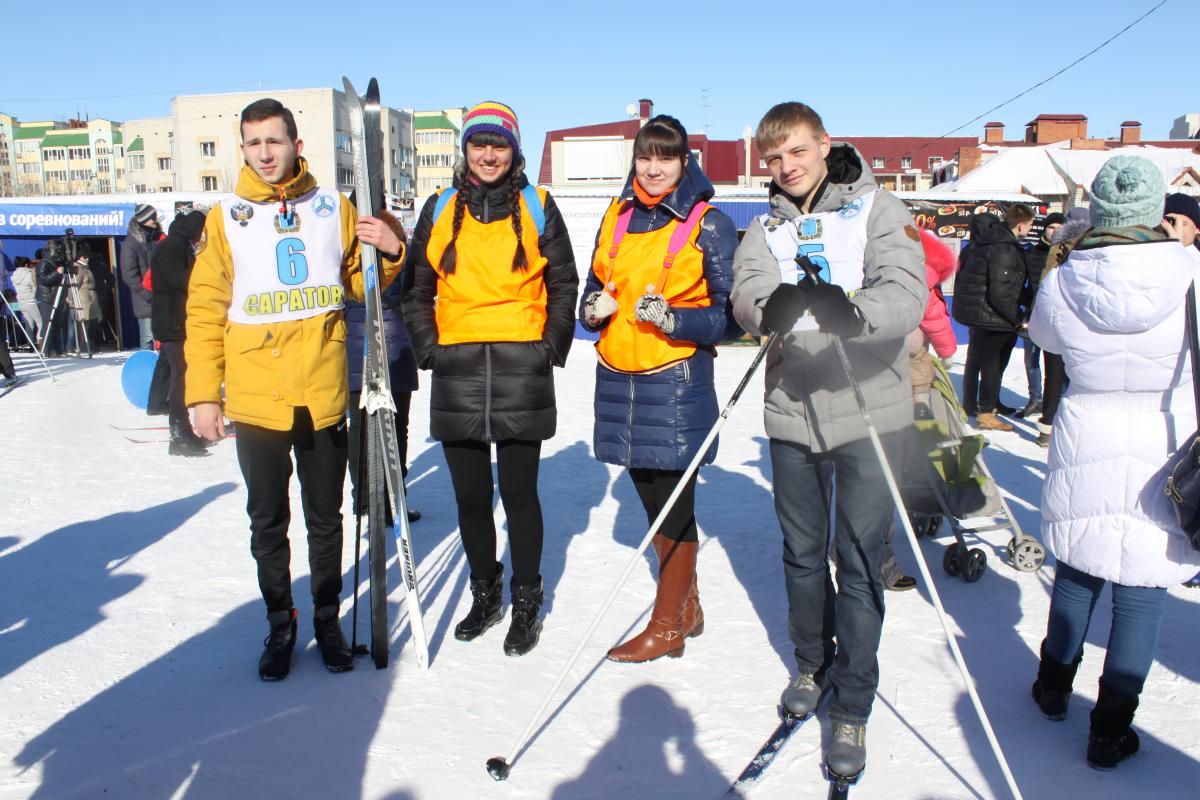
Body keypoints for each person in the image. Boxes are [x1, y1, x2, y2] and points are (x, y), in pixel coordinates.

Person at [730, 101, 925, 781]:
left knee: (861, 560)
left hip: (870, 410)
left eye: (797, 153)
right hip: (792, 411)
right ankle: (812, 663)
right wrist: (770, 309)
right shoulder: (762, 227)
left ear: (824, 146)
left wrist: (852, 311)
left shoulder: (878, 209)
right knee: (803, 556)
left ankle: (853, 700)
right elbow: (747, 295)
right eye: (774, 158)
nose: (785, 168)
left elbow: (906, 295)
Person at [186, 98, 405, 681]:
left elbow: (363, 282)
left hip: (322, 391)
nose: (264, 153)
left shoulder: (332, 207)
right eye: (253, 143)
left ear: (296, 144)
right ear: (242, 149)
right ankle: (281, 623)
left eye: (274, 141)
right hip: (257, 398)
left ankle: (327, 618)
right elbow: (206, 310)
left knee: (326, 518)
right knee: (267, 520)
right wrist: (203, 393)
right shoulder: (224, 215)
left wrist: (388, 251)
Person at [1028, 156, 1200, 770]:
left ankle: (1053, 684)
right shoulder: (1190, 274)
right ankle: (1110, 727)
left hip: (1087, 432)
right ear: (1156, 211)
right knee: (1143, 589)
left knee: (1079, 563)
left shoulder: (1066, 278)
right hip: (1168, 438)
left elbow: (1046, 340)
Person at [402, 101, 578, 657]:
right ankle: (486, 592)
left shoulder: (538, 204)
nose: (488, 154)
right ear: (466, 150)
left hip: (521, 368)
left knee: (520, 495)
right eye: (479, 144)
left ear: (514, 151)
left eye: (498, 145)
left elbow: (564, 284)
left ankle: (527, 599)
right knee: (471, 497)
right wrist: (430, 350)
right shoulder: (439, 207)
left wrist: (548, 348)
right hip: (457, 370)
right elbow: (416, 289)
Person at [578, 115, 737, 662]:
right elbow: (594, 288)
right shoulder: (616, 217)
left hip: (675, 384)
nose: (652, 168)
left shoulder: (708, 224)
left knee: (674, 502)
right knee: (649, 494)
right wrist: (591, 311)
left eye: (665, 158)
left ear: (684, 162)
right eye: (646, 156)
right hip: (619, 379)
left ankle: (668, 623)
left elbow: (732, 316)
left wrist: (677, 322)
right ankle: (686, 606)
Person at [344, 210, 421, 524]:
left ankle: (363, 500)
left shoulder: (349, 264)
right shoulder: (399, 262)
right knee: (394, 430)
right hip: (395, 354)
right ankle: (392, 501)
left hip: (353, 354)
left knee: (359, 430)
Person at [952, 204, 1034, 431]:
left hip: (984, 314)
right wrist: (1017, 318)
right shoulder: (1004, 249)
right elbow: (1000, 292)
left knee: (984, 362)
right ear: (1020, 225)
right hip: (994, 317)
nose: (1031, 228)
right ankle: (986, 413)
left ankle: (984, 404)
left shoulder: (988, 244)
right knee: (992, 365)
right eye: (1030, 224)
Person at [151, 210, 209, 457]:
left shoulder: (177, 245)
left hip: (177, 320)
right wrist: (206, 276)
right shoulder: (171, 248)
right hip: (172, 321)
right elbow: (180, 280)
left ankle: (185, 429)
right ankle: (178, 434)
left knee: (182, 376)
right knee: (180, 378)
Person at [1034, 207, 1090, 448]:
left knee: (1054, 377)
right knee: (1081, 377)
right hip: (1084, 321)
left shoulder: (1059, 247)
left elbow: (1046, 281)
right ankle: (1067, 429)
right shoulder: (1095, 247)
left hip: (1059, 317)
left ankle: (1048, 427)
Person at [1016, 212, 1064, 419]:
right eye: (1051, 227)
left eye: (1059, 227)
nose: (1055, 231)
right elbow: (1021, 284)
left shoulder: (1068, 253)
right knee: (1031, 360)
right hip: (1033, 314)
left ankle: (1058, 401)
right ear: (1044, 229)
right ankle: (1035, 398)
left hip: (1058, 317)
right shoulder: (1031, 253)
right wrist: (1026, 304)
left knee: (1057, 364)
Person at [120, 204, 159, 349]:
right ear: (144, 219)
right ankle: (147, 371)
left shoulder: (156, 238)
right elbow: (129, 274)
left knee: (163, 340)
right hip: (146, 301)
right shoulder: (131, 243)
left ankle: (163, 370)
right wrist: (147, 294)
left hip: (161, 298)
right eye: (152, 217)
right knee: (148, 339)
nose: (155, 220)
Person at [35, 248, 68, 357]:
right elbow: (43, 279)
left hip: (57, 297)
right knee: (47, 325)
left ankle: (58, 350)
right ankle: (46, 350)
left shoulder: (57, 263)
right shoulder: (43, 264)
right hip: (47, 298)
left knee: (57, 325)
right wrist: (57, 273)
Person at [67, 254, 102, 355]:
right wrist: (71, 298)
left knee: (93, 322)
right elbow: (74, 285)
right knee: (86, 323)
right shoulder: (78, 268)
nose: (87, 259)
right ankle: (85, 346)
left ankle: (90, 345)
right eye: (85, 257)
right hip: (83, 298)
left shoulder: (86, 268)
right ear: (80, 258)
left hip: (91, 298)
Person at [11, 256, 42, 345]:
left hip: (21, 302)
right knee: (41, 324)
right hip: (30, 301)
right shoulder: (29, 274)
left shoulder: (14, 275)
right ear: (26, 264)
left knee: (29, 325)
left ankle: (31, 344)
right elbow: (34, 287)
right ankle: (40, 342)